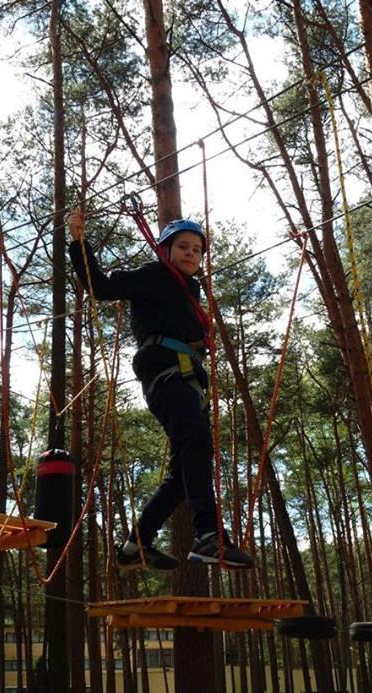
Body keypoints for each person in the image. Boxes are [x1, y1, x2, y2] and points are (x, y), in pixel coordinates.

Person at [67, 208, 252, 571]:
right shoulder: (154, 275)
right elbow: (100, 287)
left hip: (186, 378)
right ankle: (207, 534)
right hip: (166, 373)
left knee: (183, 475)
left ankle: (136, 544)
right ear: (165, 251)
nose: (190, 254)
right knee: (195, 444)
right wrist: (79, 242)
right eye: (182, 246)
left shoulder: (189, 290)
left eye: (197, 250)